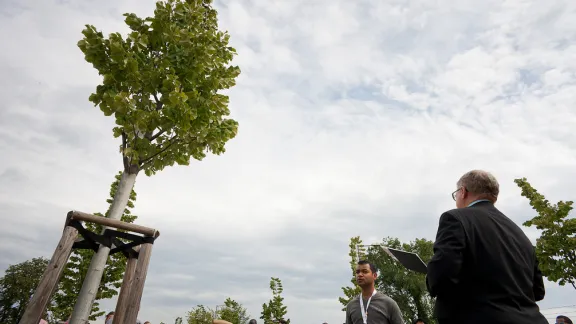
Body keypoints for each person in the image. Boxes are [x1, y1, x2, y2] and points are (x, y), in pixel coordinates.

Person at [426, 170, 548, 324]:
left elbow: (441, 278)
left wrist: (431, 275)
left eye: (456, 194)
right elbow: (538, 291)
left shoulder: (455, 219)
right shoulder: (520, 234)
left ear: (463, 192)